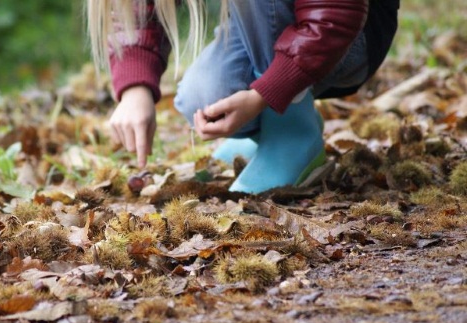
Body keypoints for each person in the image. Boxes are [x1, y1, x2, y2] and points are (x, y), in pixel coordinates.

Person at [87, 0, 399, 194]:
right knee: (202, 97)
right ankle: (268, 128)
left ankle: (292, 133)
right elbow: (137, 8)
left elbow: (334, 15)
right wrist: (134, 89)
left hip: (351, 33)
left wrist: (266, 93)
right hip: (283, 23)